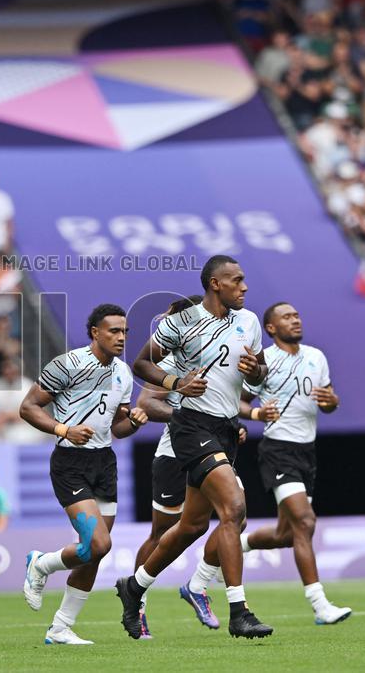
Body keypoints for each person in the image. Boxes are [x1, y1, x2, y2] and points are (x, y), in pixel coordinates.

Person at [115, 255, 274, 640]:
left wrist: (258, 371)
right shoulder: (181, 323)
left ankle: (133, 587)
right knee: (234, 508)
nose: (245, 287)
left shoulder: (249, 322)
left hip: (224, 428)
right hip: (190, 426)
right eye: (237, 280)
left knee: (192, 526)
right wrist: (175, 383)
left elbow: (257, 375)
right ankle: (240, 612)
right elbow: (140, 363)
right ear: (215, 284)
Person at [194, 302, 352, 625]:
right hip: (278, 449)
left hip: (307, 452)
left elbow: (329, 400)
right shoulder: (265, 360)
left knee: (286, 533)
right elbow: (235, 399)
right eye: (287, 317)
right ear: (270, 328)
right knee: (305, 523)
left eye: (297, 315)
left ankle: (235, 546)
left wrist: (333, 402)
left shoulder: (316, 357)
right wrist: (254, 414)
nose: (295, 320)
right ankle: (320, 604)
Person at [19, 303, 148, 645]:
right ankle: (41, 564)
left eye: (124, 332)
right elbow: (27, 407)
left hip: (104, 464)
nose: (121, 338)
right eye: (113, 331)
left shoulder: (122, 373)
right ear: (95, 332)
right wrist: (64, 429)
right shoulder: (68, 364)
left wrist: (132, 422)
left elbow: (117, 429)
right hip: (70, 463)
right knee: (98, 543)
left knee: (96, 552)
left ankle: (61, 627)